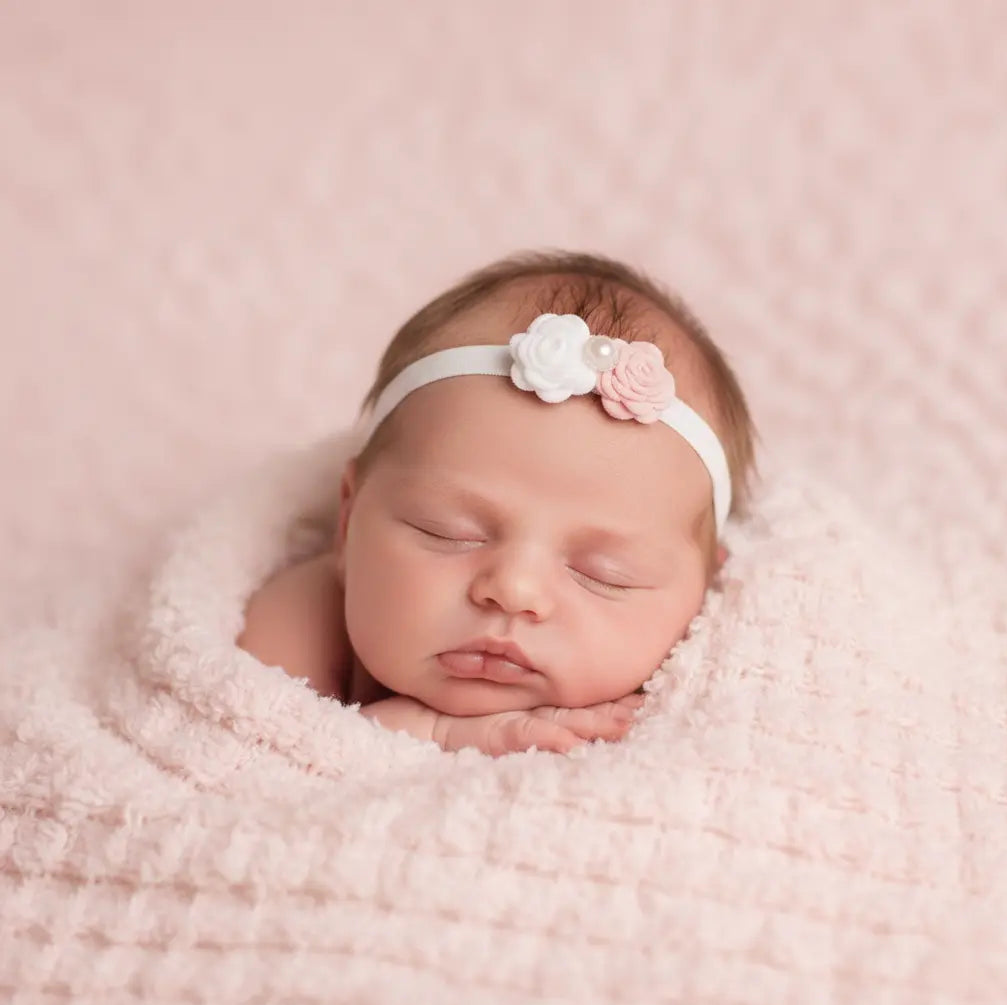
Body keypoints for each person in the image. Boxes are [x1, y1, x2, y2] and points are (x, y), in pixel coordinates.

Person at [238, 251, 756, 755]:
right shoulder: (296, 628)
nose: (513, 590)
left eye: (604, 574)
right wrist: (432, 733)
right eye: (447, 531)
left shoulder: (689, 712)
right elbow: (244, 776)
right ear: (348, 522)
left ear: (703, 595)